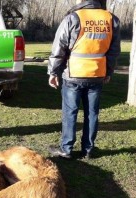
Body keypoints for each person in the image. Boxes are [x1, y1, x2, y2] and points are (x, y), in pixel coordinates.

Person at [47, 0, 120, 159]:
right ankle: (88, 150)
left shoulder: (73, 17)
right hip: (97, 74)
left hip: (74, 74)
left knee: (70, 112)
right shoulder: (111, 19)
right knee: (92, 113)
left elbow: (59, 46)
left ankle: (66, 149)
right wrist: (108, 72)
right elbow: (114, 51)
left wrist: (53, 72)